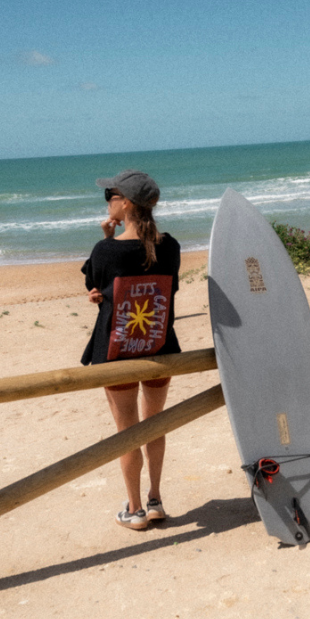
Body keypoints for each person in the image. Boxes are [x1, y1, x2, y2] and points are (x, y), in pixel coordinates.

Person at [80, 170, 181, 530]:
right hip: (159, 346)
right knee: (155, 424)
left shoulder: (105, 250)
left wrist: (107, 239)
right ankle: (155, 500)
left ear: (125, 203)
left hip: (118, 351)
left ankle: (135, 509)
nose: (108, 201)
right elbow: (167, 289)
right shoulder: (170, 246)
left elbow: (95, 281)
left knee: (127, 432)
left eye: (111, 194)